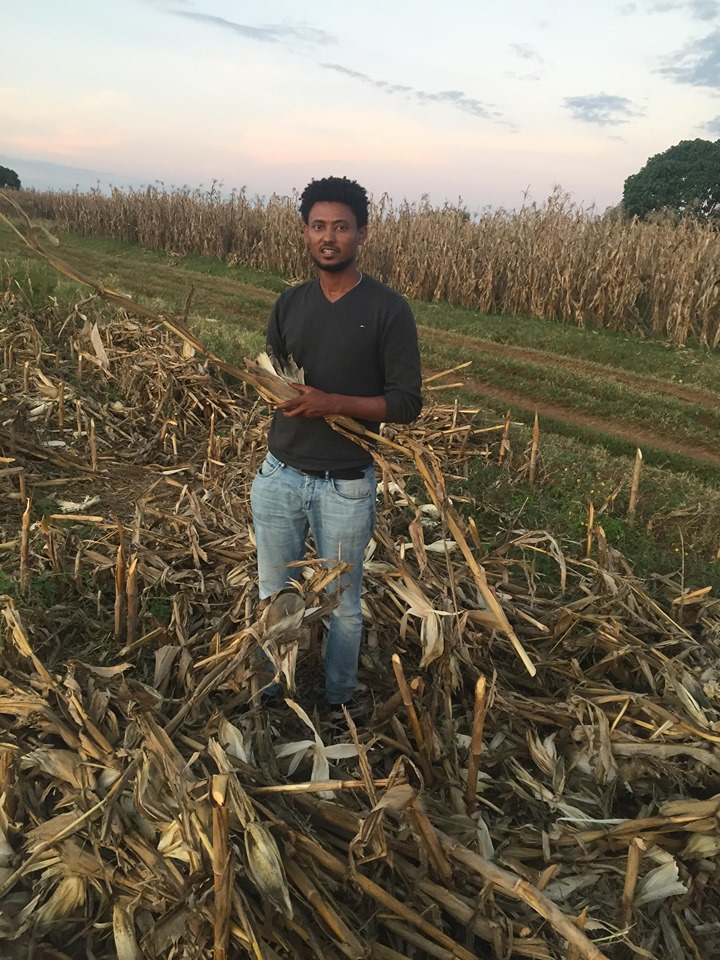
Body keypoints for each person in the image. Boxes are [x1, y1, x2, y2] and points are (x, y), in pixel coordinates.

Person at [250, 176, 423, 709]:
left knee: (343, 605)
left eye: (341, 227)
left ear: (362, 235)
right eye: (319, 226)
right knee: (274, 597)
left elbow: (406, 403)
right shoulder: (289, 304)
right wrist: (272, 388)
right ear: (305, 232)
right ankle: (277, 692)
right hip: (279, 475)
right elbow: (275, 372)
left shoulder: (389, 310)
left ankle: (339, 701)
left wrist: (332, 403)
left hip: (345, 483)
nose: (329, 237)